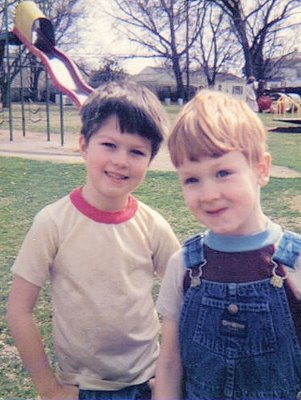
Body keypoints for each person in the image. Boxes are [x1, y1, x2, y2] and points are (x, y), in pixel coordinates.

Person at [153, 90, 301, 399]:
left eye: (223, 172)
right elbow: (168, 365)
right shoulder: (183, 265)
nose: (208, 194)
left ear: (261, 169)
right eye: (192, 179)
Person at [7, 81, 181, 400]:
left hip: (147, 383)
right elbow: (19, 310)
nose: (121, 161)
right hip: (81, 389)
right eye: (109, 145)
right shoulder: (53, 222)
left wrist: (168, 377)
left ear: (150, 159)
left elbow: (185, 299)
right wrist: (49, 389)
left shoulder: (153, 226)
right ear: (84, 145)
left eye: (136, 151)